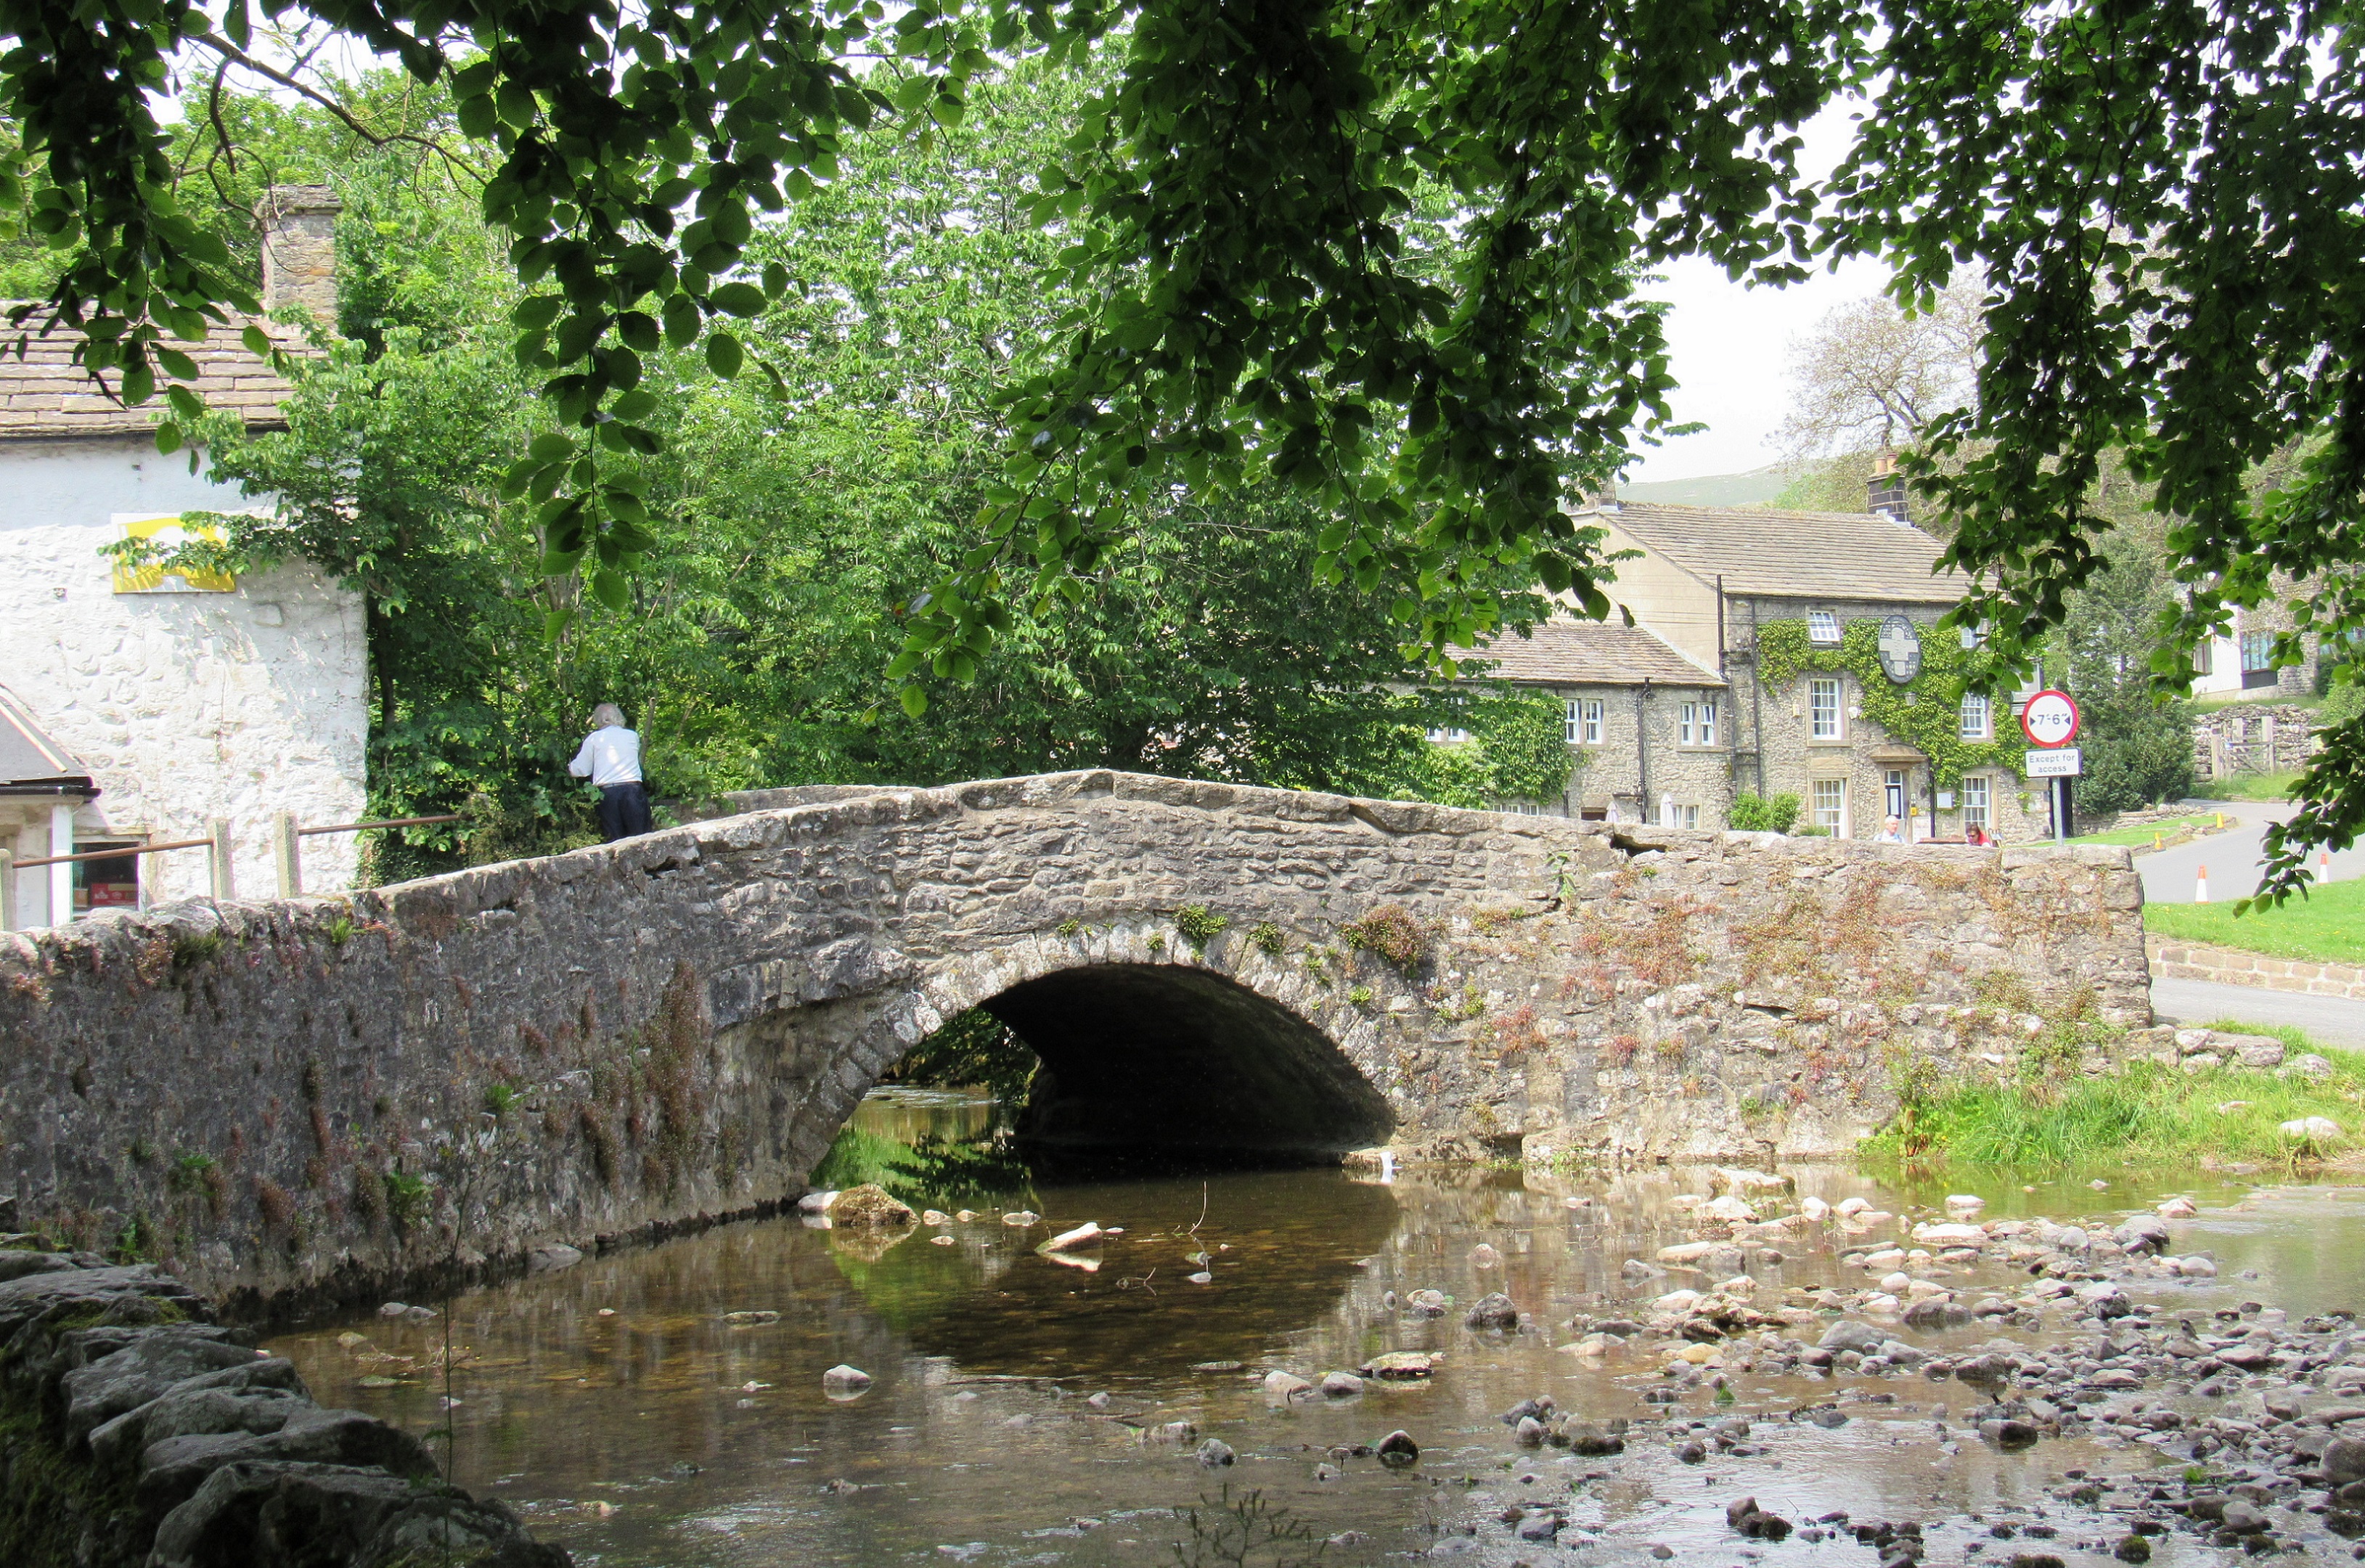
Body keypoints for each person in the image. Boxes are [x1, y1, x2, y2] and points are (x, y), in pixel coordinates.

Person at [569, 703, 652, 842]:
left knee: (615, 842)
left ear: (598, 720)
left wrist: (569, 768)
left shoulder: (594, 739)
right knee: (642, 839)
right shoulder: (632, 736)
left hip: (608, 794)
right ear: (619, 717)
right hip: (633, 790)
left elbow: (581, 769)